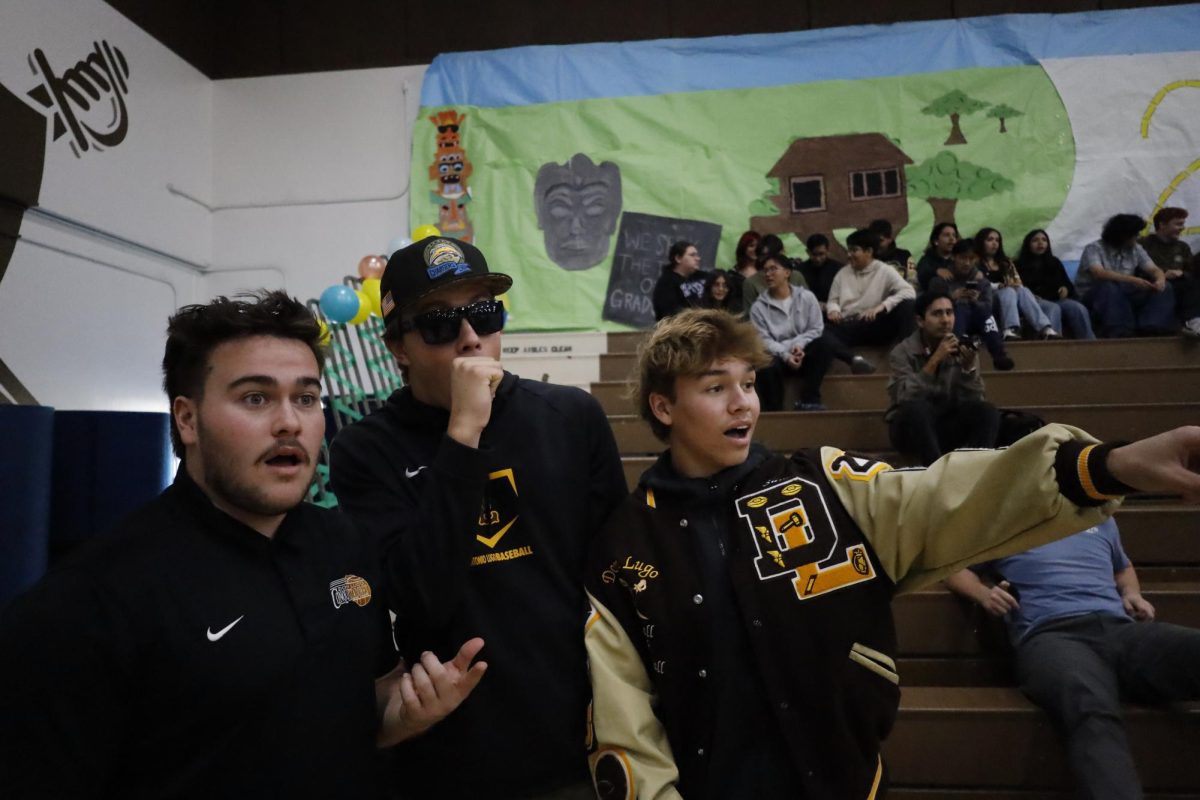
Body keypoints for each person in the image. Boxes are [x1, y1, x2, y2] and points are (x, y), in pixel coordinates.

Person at [583, 307, 1200, 800]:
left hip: (846, 779)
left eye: (748, 383)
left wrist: (1108, 465)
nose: (744, 401)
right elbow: (624, 721)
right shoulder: (625, 545)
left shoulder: (823, 483)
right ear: (663, 408)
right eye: (716, 388)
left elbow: (948, 496)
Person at [0, 290, 485, 798]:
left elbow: (365, 703)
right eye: (256, 397)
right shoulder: (86, 604)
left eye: (305, 397)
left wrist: (403, 716)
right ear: (187, 419)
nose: (289, 422)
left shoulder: (344, 545)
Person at [329, 237, 627, 799]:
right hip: (453, 751)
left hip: (578, 740)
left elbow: (613, 579)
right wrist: (463, 435)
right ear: (399, 347)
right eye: (440, 324)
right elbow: (419, 596)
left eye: (484, 314)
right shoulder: (366, 450)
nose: (471, 337)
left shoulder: (569, 416)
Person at [945, 518, 1200, 799]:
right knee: (1089, 705)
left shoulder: (1099, 515)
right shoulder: (1006, 517)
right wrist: (983, 593)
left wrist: (1132, 593)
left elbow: (1122, 566)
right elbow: (952, 568)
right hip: (1051, 637)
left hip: (1119, 631)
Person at [885, 291, 1000, 465]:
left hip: (946, 425)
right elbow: (903, 397)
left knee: (987, 411)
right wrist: (934, 360)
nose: (945, 320)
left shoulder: (962, 347)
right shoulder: (903, 351)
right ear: (920, 321)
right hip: (910, 429)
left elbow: (975, 399)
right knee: (918, 409)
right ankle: (935, 472)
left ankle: (978, 467)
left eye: (949, 312)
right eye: (937, 314)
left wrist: (968, 369)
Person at [823, 228, 917, 374]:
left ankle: (909, 357)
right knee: (819, 331)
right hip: (849, 325)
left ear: (869, 251)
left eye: (854, 250)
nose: (849, 255)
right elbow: (833, 300)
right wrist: (834, 310)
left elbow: (909, 292)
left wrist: (882, 306)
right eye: (848, 250)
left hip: (875, 324)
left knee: (908, 306)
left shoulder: (885, 270)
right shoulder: (842, 273)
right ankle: (855, 361)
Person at [749, 253, 832, 411]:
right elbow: (763, 339)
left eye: (773, 269)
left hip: (804, 351)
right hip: (778, 356)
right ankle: (775, 409)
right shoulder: (758, 307)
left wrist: (799, 345)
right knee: (765, 361)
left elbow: (816, 328)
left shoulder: (806, 297)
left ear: (787, 272)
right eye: (765, 271)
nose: (768, 274)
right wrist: (786, 355)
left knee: (825, 344)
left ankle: (810, 399)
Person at [1076, 214, 1176, 338]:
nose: (1138, 237)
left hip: (1126, 292)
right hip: (1095, 294)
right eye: (1135, 234)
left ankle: (1153, 328)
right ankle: (1121, 331)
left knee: (1166, 287)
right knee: (1108, 287)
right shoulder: (1094, 248)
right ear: (1123, 235)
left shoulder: (1136, 249)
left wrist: (1160, 280)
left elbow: (1154, 269)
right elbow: (1099, 273)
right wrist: (1133, 280)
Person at [929, 238, 1015, 371]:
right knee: (962, 307)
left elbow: (988, 308)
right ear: (954, 257)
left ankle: (999, 356)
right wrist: (951, 298)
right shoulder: (940, 281)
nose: (967, 263)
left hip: (978, 322)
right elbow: (931, 308)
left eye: (971, 258)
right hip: (950, 323)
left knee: (985, 313)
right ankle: (954, 345)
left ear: (977, 260)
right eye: (962, 258)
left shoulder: (982, 282)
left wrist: (975, 302)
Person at [974, 227, 1056, 340]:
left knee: (1023, 290)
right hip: (986, 299)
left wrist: (1028, 296)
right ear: (981, 242)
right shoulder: (974, 262)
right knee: (1008, 291)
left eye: (997, 240)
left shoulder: (1005, 262)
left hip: (1009, 298)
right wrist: (1000, 286)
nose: (994, 243)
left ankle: (1045, 329)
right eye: (990, 240)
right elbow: (979, 283)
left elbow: (1017, 283)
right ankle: (1010, 329)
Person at [1014, 229, 1096, 340]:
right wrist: (1031, 296)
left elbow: (1067, 284)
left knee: (1077, 308)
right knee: (1053, 308)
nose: (1040, 243)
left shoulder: (1054, 262)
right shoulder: (1019, 264)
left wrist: (1065, 288)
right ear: (1028, 244)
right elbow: (1017, 287)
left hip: (1056, 299)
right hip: (1035, 301)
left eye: (1044, 240)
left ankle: (1089, 342)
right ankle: (1052, 345)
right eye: (1035, 240)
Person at [1139, 207, 1200, 339]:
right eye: (1178, 224)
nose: (1182, 228)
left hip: (1179, 285)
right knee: (1167, 287)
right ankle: (1155, 329)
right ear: (1162, 224)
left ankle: (1193, 322)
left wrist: (1181, 273)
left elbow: (1191, 271)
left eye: (1183, 224)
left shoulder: (1182, 247)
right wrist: (1163, 275)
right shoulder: (1144, 244)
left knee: (1194, 284)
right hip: (1151, 285)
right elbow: (1136, 270)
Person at [740, 233, 807, 315]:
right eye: (763, 256)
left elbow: (807, 307)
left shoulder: (796, 276)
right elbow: (751, 316)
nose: (769, 261)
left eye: (773, 256)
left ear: (782, 253)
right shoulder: (751, 283)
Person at [653, 240, 708, 320]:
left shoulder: (701, 276)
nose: (698, 258)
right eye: (692, 255)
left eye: (697, 255)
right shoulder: (666, 283)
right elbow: (670, 314)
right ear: (678, 258)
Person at [797, 233, 844, 306]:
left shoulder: (838, 269)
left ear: (828, 251)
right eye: (814, 255)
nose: (818, 259)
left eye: (821, 254)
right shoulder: (800, 270)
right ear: (807, 252)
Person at [916, 221, 958, 291]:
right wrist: (936, 271)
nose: (952, 239)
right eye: (947, 235)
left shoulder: (958, 258)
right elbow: (921, 273)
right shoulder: (927, 259)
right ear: (936, 241)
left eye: (954, 235)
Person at [870, 218, 915, 283]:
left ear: (890, 239)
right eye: (873, 240)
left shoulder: (905, 256)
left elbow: (913, 281)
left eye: (880, 241)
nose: (876, 244)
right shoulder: (865, 258)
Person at [727, 229, 761, 310]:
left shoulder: (766, 271)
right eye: (751, 246)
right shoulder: (733, 274)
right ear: (743, 248)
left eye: (758, 246)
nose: (755, 249)